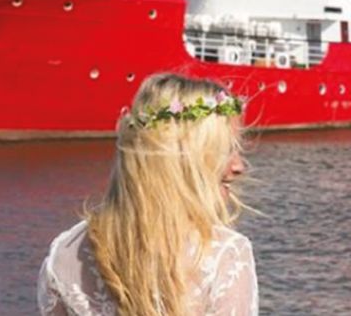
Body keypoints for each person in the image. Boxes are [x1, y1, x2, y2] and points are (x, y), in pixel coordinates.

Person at [38, 74, 257, 316]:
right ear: (185, 158)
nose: (239, 166)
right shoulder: (225, 254)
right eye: (226, 150)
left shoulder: (66, 251)